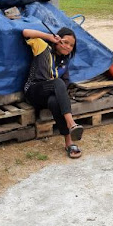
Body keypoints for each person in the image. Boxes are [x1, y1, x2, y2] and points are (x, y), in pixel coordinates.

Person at [22, 26, 84, 158]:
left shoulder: (64, 62)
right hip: (33, 90)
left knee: (55, 101)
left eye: (71, 45)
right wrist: (49, 37)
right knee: (58, 82)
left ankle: (68, 141)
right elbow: (26, 32)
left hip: (47, 96)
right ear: (57, 40)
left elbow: (65, 83)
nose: (68, 47)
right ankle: (71, 123)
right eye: (65, 42)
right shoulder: (43, 47)